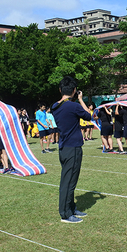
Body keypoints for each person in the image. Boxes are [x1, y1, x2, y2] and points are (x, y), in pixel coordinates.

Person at [52, 76, 92, 224]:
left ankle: (72, 207)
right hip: (73, 147)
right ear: (74, 91)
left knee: (69, 180)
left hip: (63, 147)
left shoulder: (55, 106)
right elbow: (88, 115)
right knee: (68, 182)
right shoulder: (73, 105)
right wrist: (81, 99)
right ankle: (65, 213)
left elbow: (60, 104)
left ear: (60, 90)